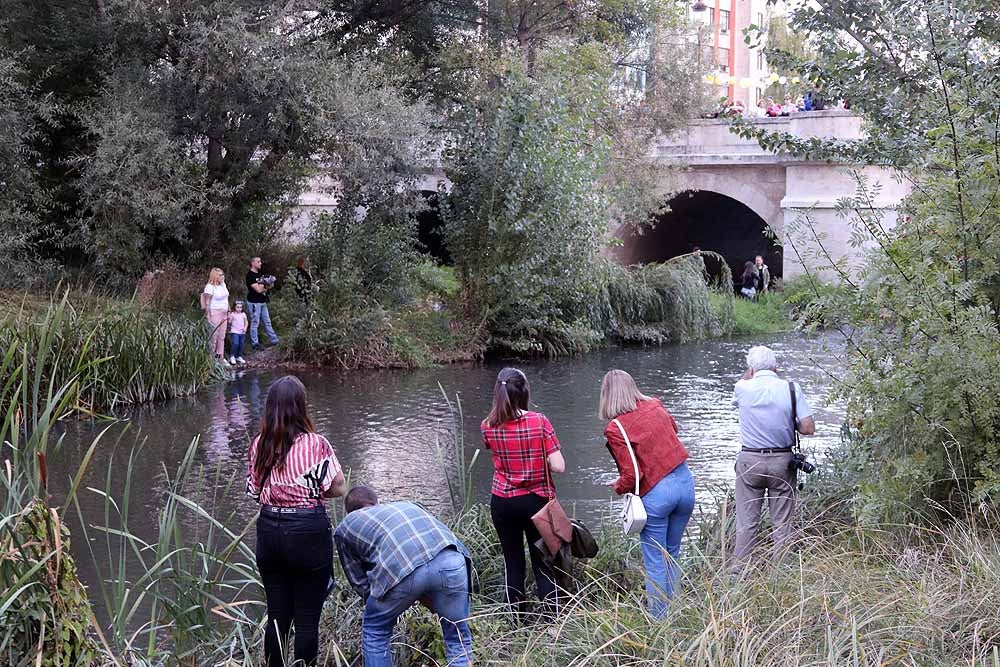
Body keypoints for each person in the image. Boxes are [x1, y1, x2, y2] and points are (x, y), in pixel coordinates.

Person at [246, 376, 347, 667]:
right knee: (306, 620)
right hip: (307, 532)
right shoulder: (316, 444)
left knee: (277, 615)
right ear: (302, 406)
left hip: (269, 531)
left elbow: (254, 491)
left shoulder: (259, 445)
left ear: (270, 408)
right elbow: (338, 487)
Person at [335, 486, 473, 667]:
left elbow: (360, 584)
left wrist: (389, 603)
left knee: (375, 632)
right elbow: (429, 562)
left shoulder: (346, 526)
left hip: (401, 567)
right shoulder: (408, 505)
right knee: (457, 637)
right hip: (452, 559)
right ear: (377, 502)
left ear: (350, 511)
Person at [599, 370, 695, 618]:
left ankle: (660, 621)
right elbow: (674, 430)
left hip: (657, 494)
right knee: (672, 552)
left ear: (606, 395)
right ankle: (676, 611)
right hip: (685, 484)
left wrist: (618, 486)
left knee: (654, 562)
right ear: (632, 387)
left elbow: (631, 476)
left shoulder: (615, 427)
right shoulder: (655, 405)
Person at [480, 367, 565, 618]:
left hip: (503, 502)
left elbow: (493, 448)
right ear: (524, 391)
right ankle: (551, 621)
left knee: (512, 562)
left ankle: (516, 622)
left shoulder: (487, 425)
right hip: (536, 501)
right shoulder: (539, 421)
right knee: (543, 561)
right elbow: (558, 466)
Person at [731, 346, 815, 573]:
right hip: (782, 462)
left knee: (746, 523)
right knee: (782, 524)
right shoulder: (791, 388)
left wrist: (747, 375)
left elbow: (736, 399)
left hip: (750, 461)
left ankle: (739, 576)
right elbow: (808, 427)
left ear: (751, 368)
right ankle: (781, 575)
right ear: (776, 367)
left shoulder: (742, 388)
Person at [246, 256, 279, 351]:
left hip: (262, 301)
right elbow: (258, 289)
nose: (261, 263)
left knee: (267, 322)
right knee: (255, 322)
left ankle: (274, 340)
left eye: (260, 261)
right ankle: (255, 344)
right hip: (254, 302)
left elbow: (270, 285)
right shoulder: (250, 276)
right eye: (258, 261)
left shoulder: (260, 274)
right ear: (253, 263)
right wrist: (266, 285)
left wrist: (269, 283)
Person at [201, 268, 230, 364]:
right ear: (215, 276)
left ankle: (220, 357)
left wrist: (229, 311)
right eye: (220, 275)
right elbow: (207, 302)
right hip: (215, 312)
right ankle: (211, 358)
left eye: (222, 274)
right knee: (214, 336)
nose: (222, 277)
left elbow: (226, 299)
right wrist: (208, 315)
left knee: (222, 336)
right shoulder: (209, 287)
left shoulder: (223, 285)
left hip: (224, 312)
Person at [229, 301, 249, 365]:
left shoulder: (243, 314)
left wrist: (245, 327)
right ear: (234, 307)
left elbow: (246, 322)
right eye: (237, 307)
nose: (239, 309)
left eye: (240, 307)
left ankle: (239, 356)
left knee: (241, 344)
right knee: (235, 343)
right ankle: (232, 356)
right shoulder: (233, 314)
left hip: (242, 332)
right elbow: (229, 322)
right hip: (235, 331)